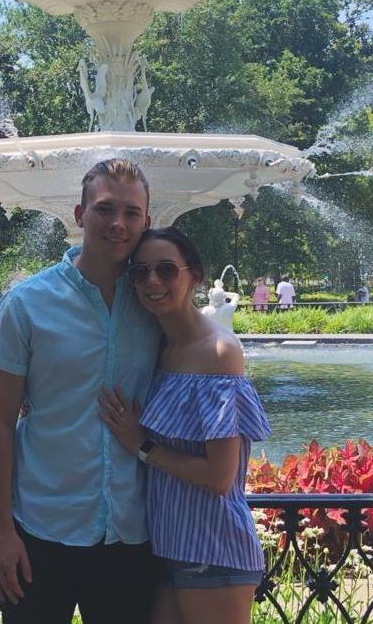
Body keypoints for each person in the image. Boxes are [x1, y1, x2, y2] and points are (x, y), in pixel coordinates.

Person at [0, 159, 160, 624]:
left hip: (130, 534)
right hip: (40, 531)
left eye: (131, 212)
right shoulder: (25, 304)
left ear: (146, 221)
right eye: (105, 209)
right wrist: (1, 531)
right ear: (80, 215)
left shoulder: (156, 303)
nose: (118, 223)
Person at [99, 227, 271, 624]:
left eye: (166, 270)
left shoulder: (218, 352)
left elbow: (219, 477)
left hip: (212, 548)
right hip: (170, 547)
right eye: (140, 272)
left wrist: (140, 445)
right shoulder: (159, 347)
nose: (152, 281)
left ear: (194, 275)